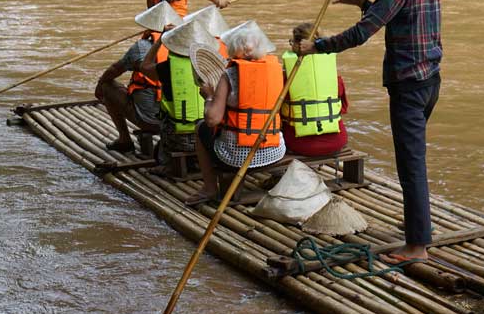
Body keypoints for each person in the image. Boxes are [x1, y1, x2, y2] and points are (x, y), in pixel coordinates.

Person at [295, 0, 445, 261]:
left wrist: (316, 46)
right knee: (415, 157)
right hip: (430, 81)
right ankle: (419, 226)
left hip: (407, 84)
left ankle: (417, 246)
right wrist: (359, 1)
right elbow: (391, 14)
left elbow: (362, 33)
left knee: (411, 164)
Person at [186, 22, 286, 205]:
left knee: (201, 127)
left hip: (236, 156)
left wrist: (209, 97)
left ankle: (209, 188)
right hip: (274, 152)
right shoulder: (277, 69)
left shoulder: (230, 74)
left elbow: (212, 119)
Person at [94, 2, 182, 152]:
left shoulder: (141, 47)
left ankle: (124, 139)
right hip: (181, 119)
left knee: (107, 86)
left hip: (150, 120)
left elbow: (115, 70)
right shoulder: (183, 47)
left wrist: (100, 84)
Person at [138, 17, 217, 159]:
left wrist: (159, 41)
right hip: (209, 136)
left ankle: (165, 163)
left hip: (179, 139)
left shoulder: (168, 68)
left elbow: (144, 67)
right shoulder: (214, 68)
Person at [281, 22, 350, 156]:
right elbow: (343, 108)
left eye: (291, 42)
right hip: (336, 143)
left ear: (298, 45)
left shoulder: (286, 77)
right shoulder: (334, 76)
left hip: (299, 145)